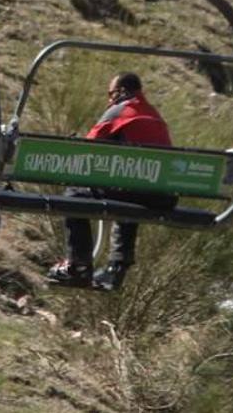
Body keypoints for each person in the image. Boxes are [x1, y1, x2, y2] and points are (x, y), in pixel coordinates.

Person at [46, 72, 176, 290]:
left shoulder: (121, 110)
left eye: (111, 94)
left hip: (134, 188)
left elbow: (89, 145)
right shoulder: (155, 115)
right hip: (162, 196)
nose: (109, 100)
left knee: (74, 194)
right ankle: (117, 268)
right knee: (132, 196)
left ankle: (78, 266)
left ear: (122, 92)